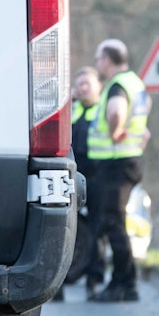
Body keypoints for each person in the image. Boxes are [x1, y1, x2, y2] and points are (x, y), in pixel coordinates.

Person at [85, 39, 151, 302]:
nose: (97, 63)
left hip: (116, 163)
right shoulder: (135, 82)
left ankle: (123, 284)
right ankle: (125, 282)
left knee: (113, 223)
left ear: (108, 60)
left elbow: (116, 111)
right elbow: (143, 122)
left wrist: (115, 132)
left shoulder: (117, 85)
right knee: (115, 222)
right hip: (128, 161)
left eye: (99, 58)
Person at [70, 66, 106, 297]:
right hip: (73, 176)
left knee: (97, 228)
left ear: (98, 88)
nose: (84, 88)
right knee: (68, 228)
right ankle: (63, 281)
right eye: (80, 84)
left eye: (88, 84)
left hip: (98, 176)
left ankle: (94, 278)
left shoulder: (104, 109)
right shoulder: (71, 110)